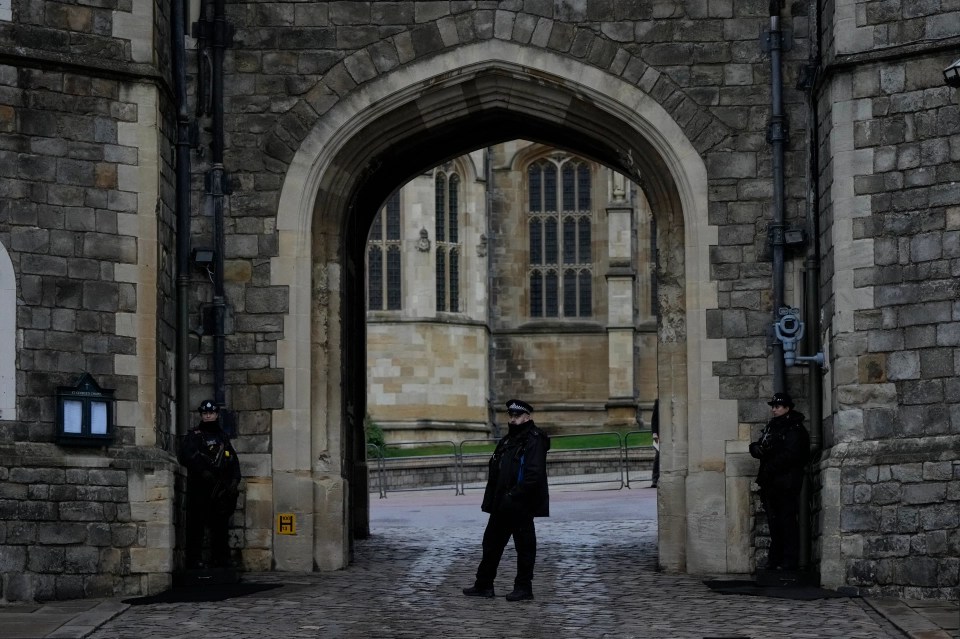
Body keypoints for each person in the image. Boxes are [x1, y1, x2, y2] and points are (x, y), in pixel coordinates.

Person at [463, 399, 550, 601]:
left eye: (517, 416)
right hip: (502, 504)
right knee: (491, 544)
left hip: (520, 505)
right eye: (511, 416)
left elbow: (533, 475)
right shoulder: (508, 440)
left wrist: (514, 495)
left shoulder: (534, 440)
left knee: (525, 548)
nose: (513, 419)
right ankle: (484, 584)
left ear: (527, 417)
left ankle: (523, 588)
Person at [749, 392, 809, 571]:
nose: (774, 410)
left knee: (787, 522)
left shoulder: (794, 428)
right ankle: (775, 559)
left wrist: (771, 465)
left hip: (786, 482)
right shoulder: (772, 427)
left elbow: (792, 455)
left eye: (778, 406)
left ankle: (788, 560)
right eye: (773, 406)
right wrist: (755, 448)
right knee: (774, 523)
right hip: (771, 482)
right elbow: (761, 444)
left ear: (787, 408)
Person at [179, 400, 241, 570]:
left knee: (220, 526)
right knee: (196, 526)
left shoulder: (222, 437)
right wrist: (202, 471)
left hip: (219, 489)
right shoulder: (195, 435)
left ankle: (221, 558)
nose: (208, 416)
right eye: (205, 413)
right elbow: (186, 456)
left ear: (216, 414)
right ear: (201, 415)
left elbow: (233, 460)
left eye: (211, 413)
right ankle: (194, 560)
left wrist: (235, 480)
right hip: (200, 488)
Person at [649, 398, 660, 488]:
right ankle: (655, 479)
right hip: (660, 435)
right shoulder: (658, 401)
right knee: (658, 456)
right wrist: (654, 434)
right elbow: (654, 419)